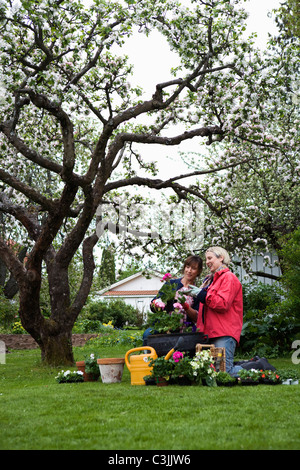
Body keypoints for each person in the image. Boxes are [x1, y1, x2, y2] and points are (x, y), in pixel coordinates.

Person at [189, 247, 243, 377]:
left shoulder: (228, 278)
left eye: (210, 258)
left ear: (221, 258)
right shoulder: (211, 280)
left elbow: (222, 304)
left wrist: (201, 294)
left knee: (223, 372)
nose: (207, 262)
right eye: (206, 259)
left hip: (224, 332)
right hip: (210, 332)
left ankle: (257, 367)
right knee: (210, 371)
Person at [143, 255, 203, 343]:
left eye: (193, 268)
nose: (189, 271)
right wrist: (156, 304)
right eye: (187, 267)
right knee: (147, 335)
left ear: (198, 271)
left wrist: (185, 305)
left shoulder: (197, 292)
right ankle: (147, 356)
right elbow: (154, 302)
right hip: (165, 325)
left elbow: (197, 317)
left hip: (185, 328)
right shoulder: (171, 284)